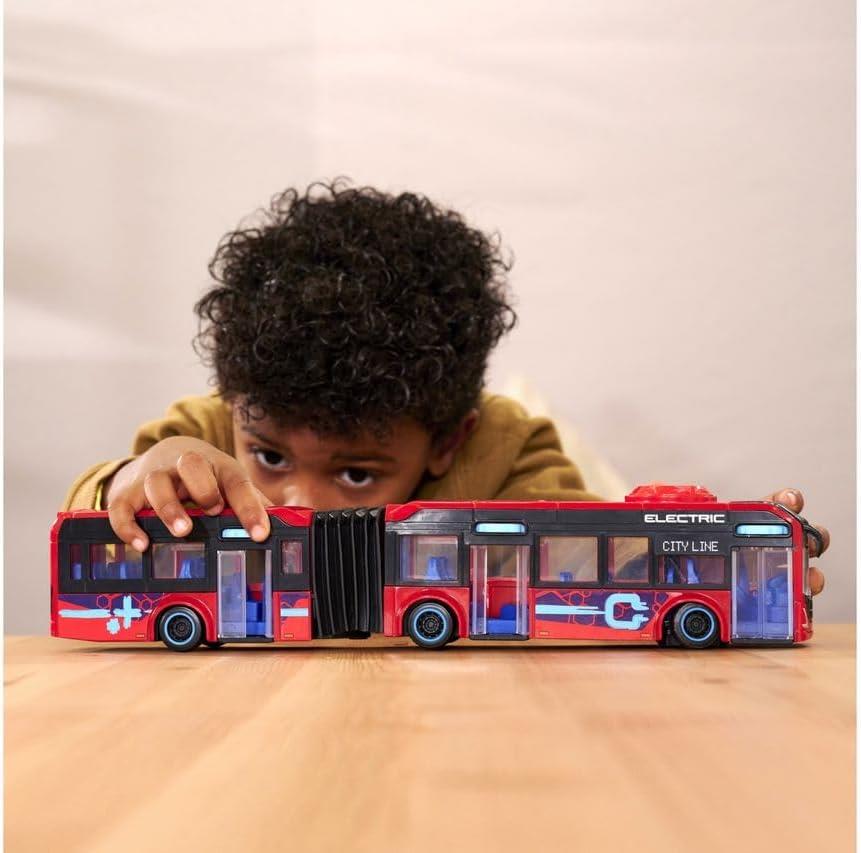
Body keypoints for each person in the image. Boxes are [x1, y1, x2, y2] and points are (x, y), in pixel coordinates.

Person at [61, 181, 828, 593]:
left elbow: (590, 554)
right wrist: (130, 482)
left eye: (354, 473)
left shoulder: (503, 446)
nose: (300, 505)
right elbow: (105, 507)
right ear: (235, 403)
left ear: (447, 440)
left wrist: (714, 564)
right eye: (269, 457)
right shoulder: (202, 438)